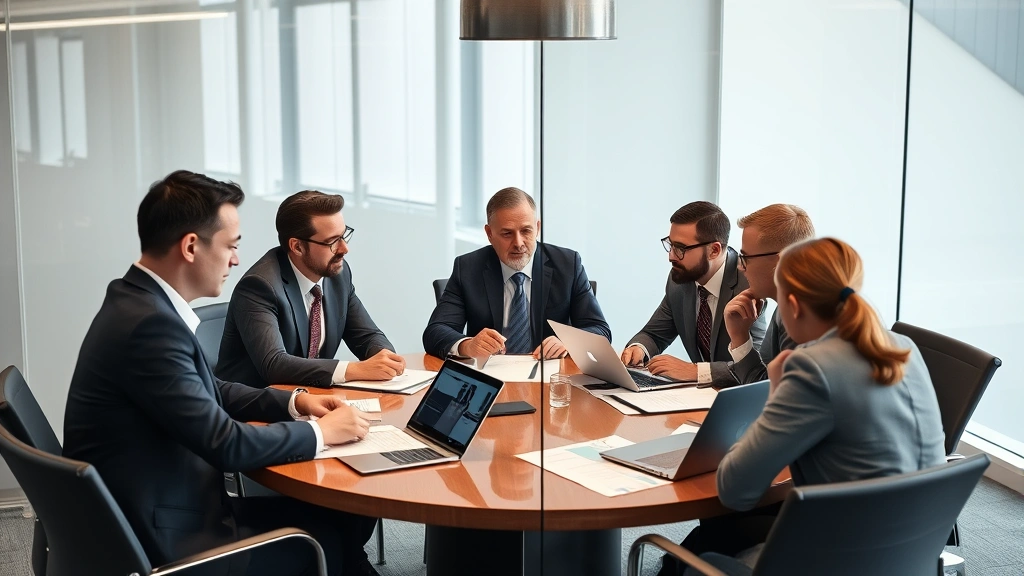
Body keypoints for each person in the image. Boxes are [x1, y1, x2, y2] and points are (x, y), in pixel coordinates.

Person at [63, 171, 380, 576]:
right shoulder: (150, 328)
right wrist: (323, 433)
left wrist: (296, 402)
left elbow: (210, 389)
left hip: (162, 506)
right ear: (191, 246)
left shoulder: (137, 303)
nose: (235, 259)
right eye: (231, 246)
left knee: (342, 521)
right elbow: (225, 443)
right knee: (330, 538)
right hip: (169, 535)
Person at [680, 238, 946, 575]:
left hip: (840, 559)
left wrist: (777, 394)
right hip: (908, 555)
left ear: (792, 304)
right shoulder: (902, 346)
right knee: (711, 541)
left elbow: (735, 491)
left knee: (692, 561)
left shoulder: (811, 368)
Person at [217, 190, 403, 389]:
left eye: (344, 236)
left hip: (311, 398)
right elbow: (274, 364)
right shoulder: (260, 286)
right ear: (297, 247)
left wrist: (384, 359)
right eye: (332, 241)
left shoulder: (338, 275)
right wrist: (354, 370)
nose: (344, 249)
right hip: (253, 408)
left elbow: (366, 336)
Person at [422, 187, 611, 360]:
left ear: (537, 228)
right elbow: (435, 332)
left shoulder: (568, 264)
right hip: (491, 378)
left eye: (526, 231)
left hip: (550, 378)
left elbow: (601, 330)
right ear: (489, 233)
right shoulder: (468, 267)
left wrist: (569, 343)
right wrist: (467, 345)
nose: (519, 243)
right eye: (507, 234)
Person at [622, 201, 766, 387]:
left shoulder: (749, 283)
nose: (671, 256)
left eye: (681, 248)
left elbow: (758, 366)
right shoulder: (680, 279)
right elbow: (655, 334)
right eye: (670, 245)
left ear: (714, 250)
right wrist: (638, 348)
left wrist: (696, 371)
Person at [724, 204, 815, 384]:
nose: (741, 267)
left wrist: (740, 338)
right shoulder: (786, 306)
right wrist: (739, 335)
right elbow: (763, 383)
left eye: (746, 258)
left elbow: (770, 394)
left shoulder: (801, 316)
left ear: (781, 260)